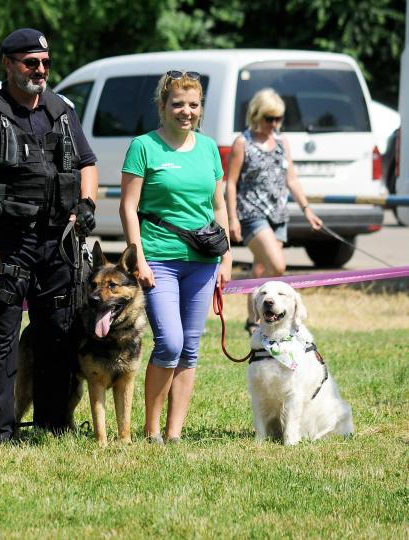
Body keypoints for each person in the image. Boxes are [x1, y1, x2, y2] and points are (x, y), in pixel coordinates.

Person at [0, 28, 99, 442]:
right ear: (8, 65)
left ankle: (52, 425)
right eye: (30, 62)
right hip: (8, 245)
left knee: (57, 333)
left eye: (45, 62)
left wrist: (87, 203)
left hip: (59, 243)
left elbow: (87, 162)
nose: (40, 70)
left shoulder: (62, 110)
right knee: (0, 340)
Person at [119, 70, 232, 444]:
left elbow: (219, 206)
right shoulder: (144, 147)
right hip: (158, 259)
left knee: (190, 348)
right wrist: (138, 258)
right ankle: (152, 430)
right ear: (163, 106)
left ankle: (174, 433)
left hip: (203, 262)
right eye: (178, 104)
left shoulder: (209, 148)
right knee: (170, 342)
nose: (187, 111)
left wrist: (227, 258)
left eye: (194, 105)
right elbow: (129, 207)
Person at [224, 88, 323, 334]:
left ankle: (252, 321)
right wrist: (232, 218)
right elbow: (231, 183)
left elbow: (292, 179)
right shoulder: (242, 143)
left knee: (260, 269)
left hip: (278, 214)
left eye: (278, 118)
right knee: (277, 266)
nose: (274, 124)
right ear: (257, 115)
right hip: (251, 213)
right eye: (270, 118)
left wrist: (307, 209)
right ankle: (260, 315)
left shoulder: (281, 142)